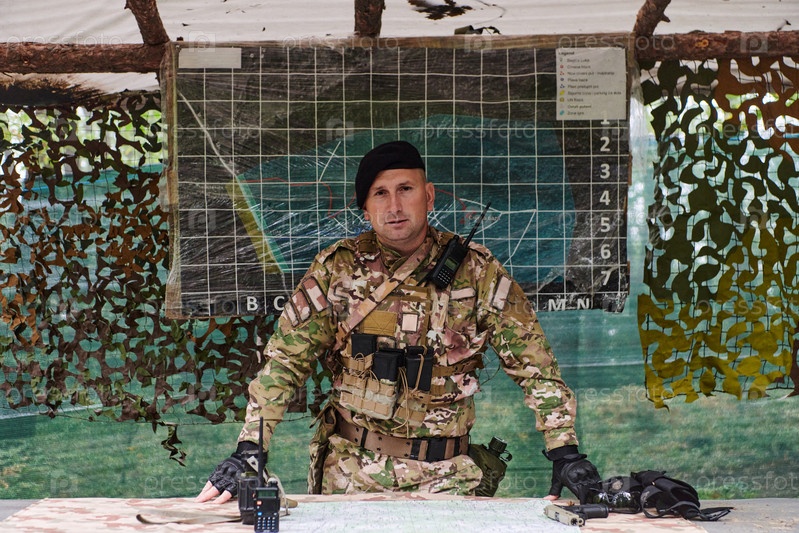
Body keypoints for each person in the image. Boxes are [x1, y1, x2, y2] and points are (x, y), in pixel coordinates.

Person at [196, 140, 600, 503]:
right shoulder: (337, 270)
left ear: (429, 196)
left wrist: (564, 451)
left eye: (405, 189)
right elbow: (286, 363)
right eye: (380, 193)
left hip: (448, 480)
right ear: (365, 208)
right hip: (352, 476)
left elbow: (536, 367)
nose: (394, 206)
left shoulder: (477, 271)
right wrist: (250, 449)